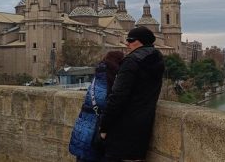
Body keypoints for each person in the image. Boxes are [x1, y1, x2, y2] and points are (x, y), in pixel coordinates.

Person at [99, 26, 165, 162]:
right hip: (143, 124)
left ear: (141, 41)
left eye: (130, 40)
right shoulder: (157, 59)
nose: (127, 43)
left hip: (123, 126)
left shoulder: (131, 62)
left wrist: (104, 126)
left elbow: (117, 97)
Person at [69, 51, 125, 162]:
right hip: (96, 131)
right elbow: (109, 106)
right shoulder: (112, 81)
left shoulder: (97, 78)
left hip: (83, 129)